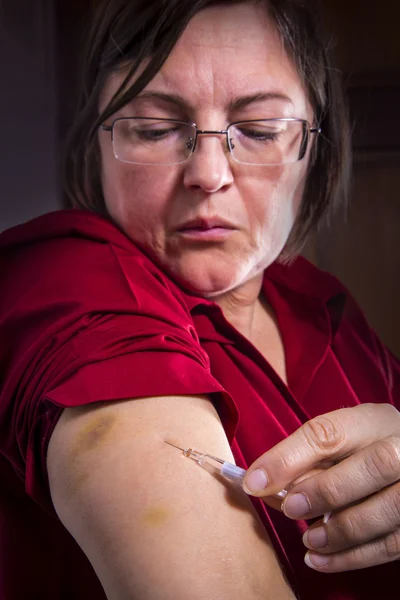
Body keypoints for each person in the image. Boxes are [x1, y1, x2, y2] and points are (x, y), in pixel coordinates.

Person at [0, 0, 399, 598]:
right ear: (98, 145)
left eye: (260, 130)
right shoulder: (62, 285)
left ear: (314, 148)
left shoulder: (323, 307)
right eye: (157, 130)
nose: (209, 173)